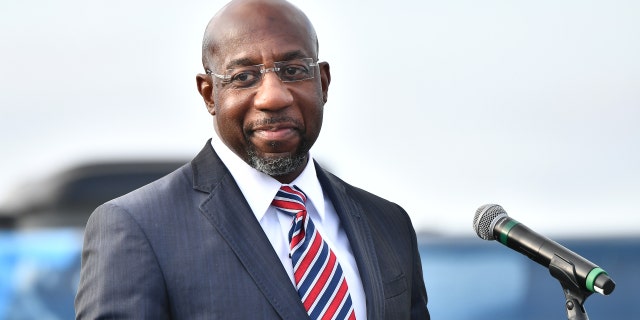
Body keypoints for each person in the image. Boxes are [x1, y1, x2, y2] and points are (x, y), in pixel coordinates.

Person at [74, 0, 430, 319]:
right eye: (243, 77)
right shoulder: (138, 228)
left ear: (323, 82)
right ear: (209, 94)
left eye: (293, 71)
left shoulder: (388, 224)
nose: (273, 97)